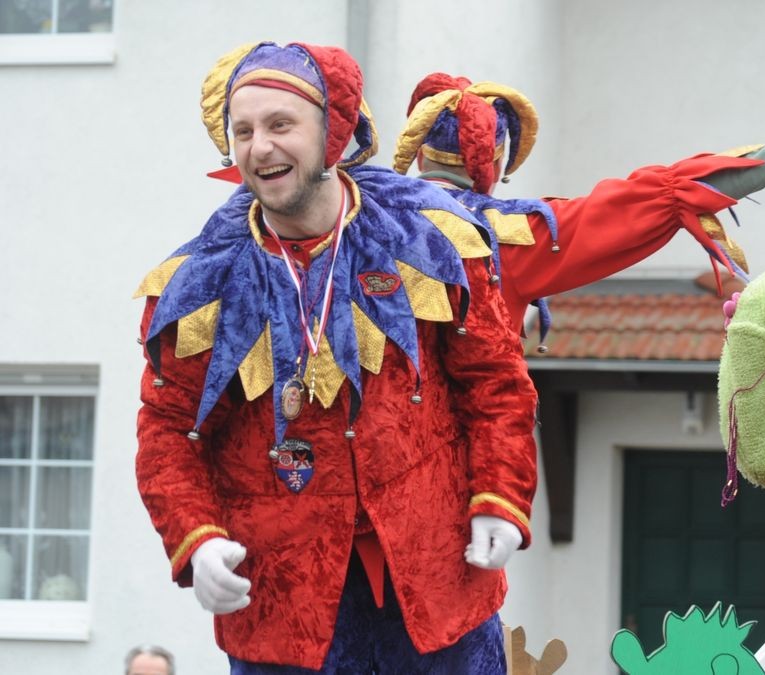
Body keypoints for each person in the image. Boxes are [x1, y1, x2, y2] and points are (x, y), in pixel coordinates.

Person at [134, 42, 536, 673]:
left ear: (334, 132)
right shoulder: (198, 284)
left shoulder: (430, 239)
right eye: (242, 131)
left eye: (280, 125)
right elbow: (167, 432)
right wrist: (198, 539)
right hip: (282, 612)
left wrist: (500, 497)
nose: (259, 146)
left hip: (437, 587)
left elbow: (495, 386)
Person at [393, 72, 765, 345]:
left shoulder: (357, 211)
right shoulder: (510, 235)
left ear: (417, 151)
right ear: (491, 163)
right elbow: (651, 201)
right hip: (456, 463)